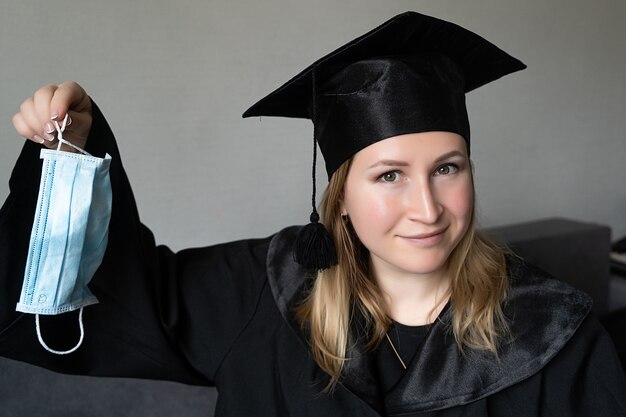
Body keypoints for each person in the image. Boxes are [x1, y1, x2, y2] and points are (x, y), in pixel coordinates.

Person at [2, 11, 625, 417]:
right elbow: (109, 304)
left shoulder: (555, 333)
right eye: (389, 175)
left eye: (448, 167)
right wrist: (70, 154)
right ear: (341, 197)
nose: (427, 208)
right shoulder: (266, 289)